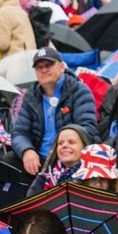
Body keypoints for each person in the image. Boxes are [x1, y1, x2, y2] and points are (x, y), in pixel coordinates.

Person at [11, 47, 98, 176]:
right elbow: (19, 132)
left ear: (62, 67)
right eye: (39, 67)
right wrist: (27, 150)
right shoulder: (31, 95)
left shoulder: (79, 90)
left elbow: (87, 129)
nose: (44, 70)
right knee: (6, 163)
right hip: (39, 159)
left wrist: (65, 150)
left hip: (70, 157)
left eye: (49, 65)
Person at [25, 124, 89, 193]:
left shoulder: (93, 177)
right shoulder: (44, 177)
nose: (64, 145)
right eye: (60, 143)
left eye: (71, 142)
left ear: (85, 146)